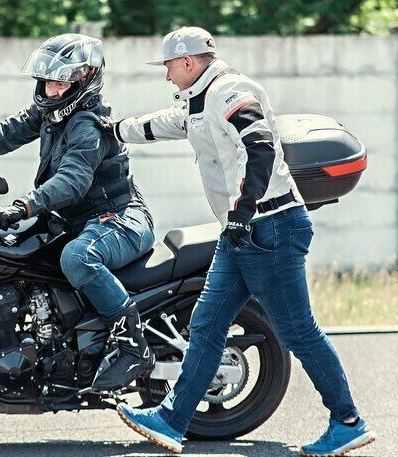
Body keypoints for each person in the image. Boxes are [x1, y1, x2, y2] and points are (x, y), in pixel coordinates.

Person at [104, 27, 376, 456]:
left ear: (188, 62)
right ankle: (172, 421)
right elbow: (164, 124)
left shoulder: (231, 90)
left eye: (169, 66)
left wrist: (242, 211)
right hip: (243, 233)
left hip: (269, 228)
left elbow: (260, 147)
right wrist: (113, 129)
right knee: (207, 323)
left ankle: (348, 421)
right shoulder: (199, 99)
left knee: (297, 331)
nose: (166, 74)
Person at [0, 33, 156, 390]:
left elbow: (73, 180)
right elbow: (7, 132)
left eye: (60, 83)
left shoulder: (89, 123)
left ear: (85, 79)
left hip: (118, 219)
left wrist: (24, 205)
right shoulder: (51, 113)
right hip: (73, 221)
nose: (51, 91)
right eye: (47, 83)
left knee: (77, 258)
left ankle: (134, 345)